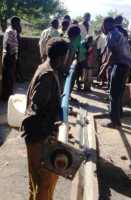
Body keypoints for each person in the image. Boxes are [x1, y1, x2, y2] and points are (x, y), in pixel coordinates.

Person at [21, 38, 69, 200]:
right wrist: (49, 135)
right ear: (62, 57)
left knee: (37, 182)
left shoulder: (45, 67)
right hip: (38, 136)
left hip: (38, 133)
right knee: (43, 183)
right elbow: (37, 107)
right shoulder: (47, 75)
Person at [101, 17, 131, 128]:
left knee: (113, 94)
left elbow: (113, 53)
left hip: (120, 65)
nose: (102, 27)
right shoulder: (118, 33)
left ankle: (115, 122)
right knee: (118, 92)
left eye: (103, 24)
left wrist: (104, 67)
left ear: (107, 24)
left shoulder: (111, 35)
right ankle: (119, 115)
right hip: (126, 66)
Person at [1, 16, 21, 101]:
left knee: (10, 77)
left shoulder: (13, 31)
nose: (19, 25)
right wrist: (12, 57)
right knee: (8, 77)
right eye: (18, 23)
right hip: (9, 56)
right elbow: (8, 46)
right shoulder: (10, 31)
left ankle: (8, 95)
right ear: (14, 23)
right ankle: (6, 96)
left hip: (11, 56)